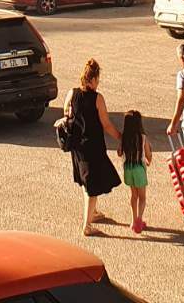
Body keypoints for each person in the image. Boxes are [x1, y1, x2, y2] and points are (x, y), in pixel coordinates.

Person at [64, 57, 122, 235]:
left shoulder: (71, 94)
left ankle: (93, 212)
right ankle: (87, 226)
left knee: (86, 181)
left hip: (77, 147)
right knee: (93, 186)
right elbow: (106, 124)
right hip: (93, 147)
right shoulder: (97, 98)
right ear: (93, 79)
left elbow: (66, 114)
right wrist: (121, 137)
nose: (98, 84)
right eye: (98, 80)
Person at [118, 109, 153, 234]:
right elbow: (148, 155)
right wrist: (149, 160)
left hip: (128, 169)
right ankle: (139, 219)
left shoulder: (124, 137)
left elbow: (119, 152)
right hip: (139, 168)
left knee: (134, 196)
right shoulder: (143, 138)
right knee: (142, 197)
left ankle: (133, 220)